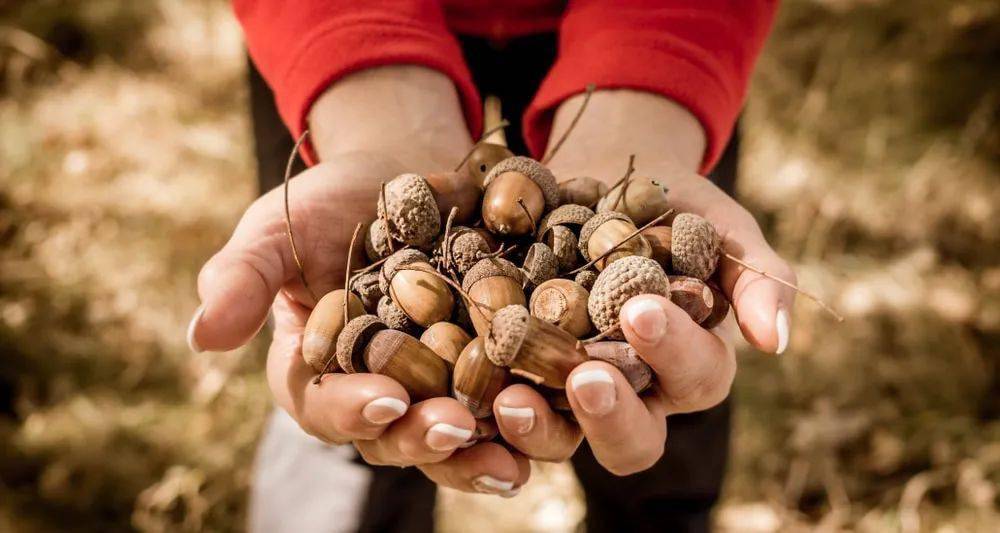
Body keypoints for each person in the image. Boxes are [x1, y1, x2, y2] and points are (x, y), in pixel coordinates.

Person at [187, 1, 794, 531]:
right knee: (349, 428)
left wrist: (652, 94)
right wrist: (362, 77)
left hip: (650, 45)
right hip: (338, 49)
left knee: (658, 395)